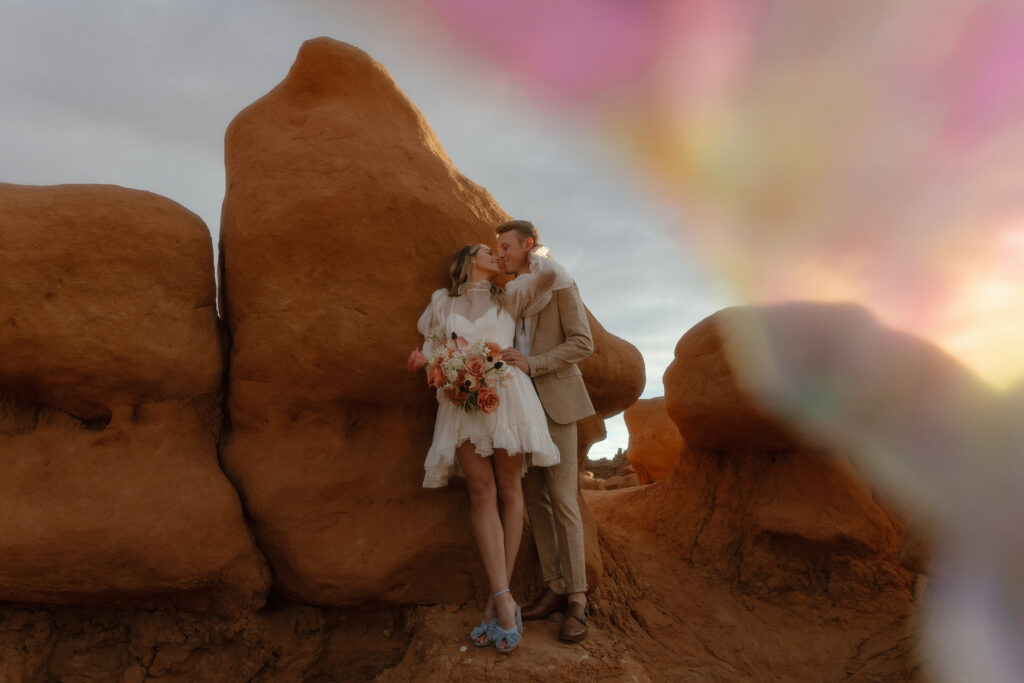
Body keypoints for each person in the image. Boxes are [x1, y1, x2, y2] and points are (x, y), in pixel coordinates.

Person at [415, 242, 571, 653]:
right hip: (462, 400)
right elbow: (431, 347)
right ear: (467, 261)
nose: (494, 256)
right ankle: (505, 599)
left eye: (498, 250)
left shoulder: (512, 294)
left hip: (507, 395)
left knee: (509, 489)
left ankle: (496, 598)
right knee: (480, 492)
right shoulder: (442, 302)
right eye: (487, 250)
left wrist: (533, 256)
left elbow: (552, 277)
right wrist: (446, 371)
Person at [496, 220, 596, 644]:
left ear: (528, 246)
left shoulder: (560, 285)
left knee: (562, 499)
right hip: (521, 409)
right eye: (496, 249)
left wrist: (532, 364)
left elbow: (582, 343)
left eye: (505, 247)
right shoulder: (511, 295)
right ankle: (554, 586)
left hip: (556, 403)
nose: (500, 254)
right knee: (535, 498)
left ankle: (578, 599)